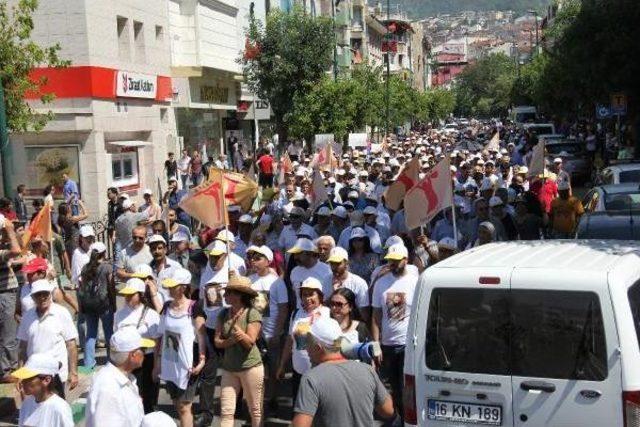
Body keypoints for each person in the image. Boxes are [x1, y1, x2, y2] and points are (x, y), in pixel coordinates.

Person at [292, 317, 394, 427]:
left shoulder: (311, 379)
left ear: (318, 348)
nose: (306, 349)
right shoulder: (367, 370)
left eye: (308, 343)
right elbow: (388, 411)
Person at [371, 244, 418, 420]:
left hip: (407, 345)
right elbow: (376, 316)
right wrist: (376, 344)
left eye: (397, 261)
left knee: (407, 386)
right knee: (393, 387)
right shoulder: (381, 283)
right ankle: (398, 417)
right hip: (387, 345)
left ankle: (408, 419)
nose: (393, 264)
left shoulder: (415, 282)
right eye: (390, 260)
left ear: (405, 260)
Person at [155, 268, 207, 427]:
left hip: (187, 367)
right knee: (178, 404)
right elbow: (160, 335)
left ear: (183, 287)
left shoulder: (194, 308)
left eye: (173, 286)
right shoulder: (166, 307)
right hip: (170, 365)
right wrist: (157, 364)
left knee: (185, 407)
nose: (169, 289)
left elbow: (201, 337)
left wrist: (202, 361)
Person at [214, 275, 265, 427]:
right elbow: (217, 342)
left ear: (239, 295)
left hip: (251, 367)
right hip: (229, 368)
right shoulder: (223, 314)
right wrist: (231, 341)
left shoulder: (252, 314)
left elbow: (250, 343)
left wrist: (239, 334)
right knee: (226, 411)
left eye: (228, 292)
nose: (225, 295)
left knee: (255, 410)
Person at [17, 279, 78, 397]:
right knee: (36, 410)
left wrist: (73, 372)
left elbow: (71, 344)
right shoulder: (27, 317)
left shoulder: (61, 313)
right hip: (33, 373)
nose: (42, 297)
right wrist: (20, 373)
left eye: (45, 294)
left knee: (56, 408)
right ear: (33, 297)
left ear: (50, 294)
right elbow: (22, 347)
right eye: (38, 295)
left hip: (56, 374)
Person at [85, 328, 156, 427]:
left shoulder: (123, 378)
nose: (145, 354)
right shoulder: (108, 389)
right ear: (133, 355)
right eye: (143, 350)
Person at [247, 245, 288, 408]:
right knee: (256, 370)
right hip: (254, 333)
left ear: (268, 261)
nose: (253, 262)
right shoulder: (250, 280)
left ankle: (273, 399)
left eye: (258, 258)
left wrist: (277, 334)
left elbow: (283, 310)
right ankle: (258, 401)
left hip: (271, 334)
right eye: (252, 258)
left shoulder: (277, 283)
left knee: (273, 369)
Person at [276, 277, 331, 400]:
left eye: (311, 294)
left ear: (320, 295)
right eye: (304, 295)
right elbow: (290, 341)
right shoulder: (296, 314)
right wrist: (282, 364)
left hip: (322, 373)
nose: (307, 298)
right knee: (300, 410)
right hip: (299, 373)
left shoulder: (329, 313)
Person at [115, 278, 161, 414]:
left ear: (141, 295)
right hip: (125, 361)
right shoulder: (118, 315)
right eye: (126, 294)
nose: (127, 297)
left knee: (146, 400)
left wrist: (156, 367)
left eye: (131, 294)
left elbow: (157, 342)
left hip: (146, 361)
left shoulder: (151, 314)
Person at [78, 242, 114, 370]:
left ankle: (88, 362)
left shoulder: (84, 268)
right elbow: (110, 287)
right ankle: (111, 361)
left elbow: (81, 288)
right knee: (109, 332)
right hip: (104, 305)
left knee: (91, 333)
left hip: (89, 306)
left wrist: (80, 306)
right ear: (104, 253)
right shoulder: (107, 268)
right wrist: (113, 303)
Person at [12, 353, 74, 427]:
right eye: (23, 378)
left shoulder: (60, 408)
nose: (22, 382)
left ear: (46, 380)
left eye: (28, 378)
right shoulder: (26, 403)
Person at [0, 216, 22, 383]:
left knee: (11, 331)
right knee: (8, 333)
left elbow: (18, 247)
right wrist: (9, 230)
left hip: (8, 292)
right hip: (4, 293)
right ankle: (8, 370)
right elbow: (16, 251)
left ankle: (10, 366)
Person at [326, 247, 370, 322]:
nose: (334, 267)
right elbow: (325, 306)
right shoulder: (327, 280)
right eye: (332, 263)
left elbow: (364, 314)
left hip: (353, 325)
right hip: (332, 325)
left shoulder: (359, 283)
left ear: (346, 263)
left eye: (338, 263)